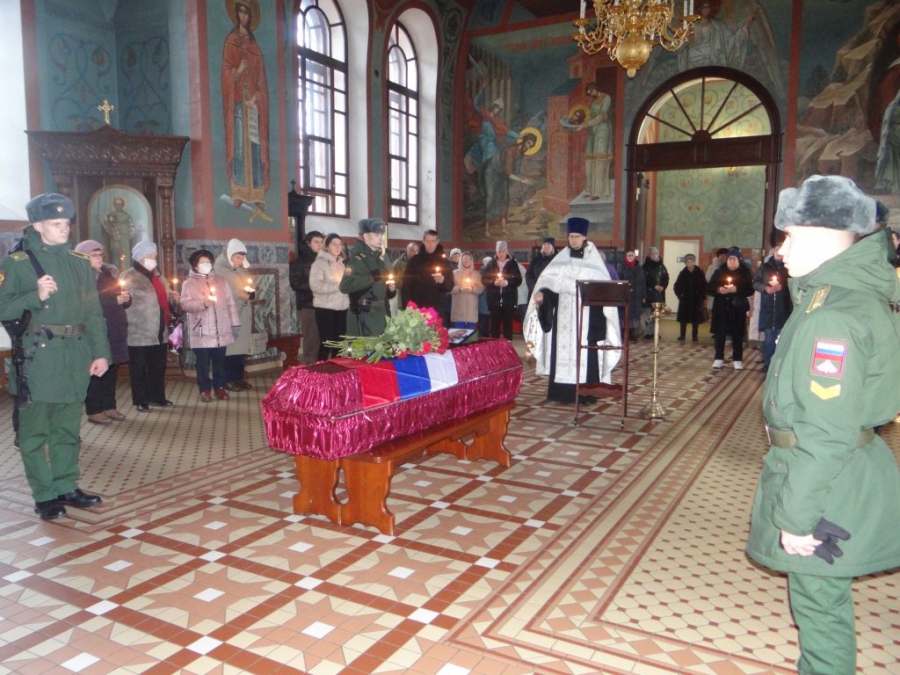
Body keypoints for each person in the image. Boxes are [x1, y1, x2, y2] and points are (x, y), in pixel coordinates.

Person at [746, 174, 900, 675]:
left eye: (789, 237)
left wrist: (796, 517)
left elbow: (825, 431)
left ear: (821, 235)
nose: (780, 251)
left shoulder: (833, 315)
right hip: (843, 467)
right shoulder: (842, 298)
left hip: (826, 482)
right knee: (822, 602)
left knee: (819, 608)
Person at [0, 193, 111, 520]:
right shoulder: (18, 263)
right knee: (35, 432)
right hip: (39, 357)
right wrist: (35, 295)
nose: (64, 229)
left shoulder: (78, 262)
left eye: (66, 224)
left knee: (67, 428)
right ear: (37, 225)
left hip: (74, 354)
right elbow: (3, 306)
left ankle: (66, 485)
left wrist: (101, 352)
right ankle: (45, 494)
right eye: (55, 224)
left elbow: (93, 313)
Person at [525, 217, 621, 404]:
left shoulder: (594, 262)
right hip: (563, 317)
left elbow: (602, 292)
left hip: (586, 319)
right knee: (561, 352)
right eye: (570, 237)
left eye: (577, 237)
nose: (573, 240)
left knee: (585, 353)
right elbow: (550, 287)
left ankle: (586, 394)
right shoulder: (560, 259)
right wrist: (543, 295)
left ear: (584, 237)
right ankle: (561, 393)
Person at [75, 240, 130, 424]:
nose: (99, 259)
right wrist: (114, 301)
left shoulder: (107, 275)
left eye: (100, 255)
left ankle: (109, 406)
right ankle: (94, 409)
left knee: (110, 370)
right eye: (94, 255)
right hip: (94, 331)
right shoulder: (80, 278)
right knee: (96, 371)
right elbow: (86, 304)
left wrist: (126, 299)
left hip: (113, 328)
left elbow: (117, 295)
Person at [221, 0, 269, 208]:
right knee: (240, 146)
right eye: (240, 11)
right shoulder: (231, 41)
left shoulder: (255, 47)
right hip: (239, 104)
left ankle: (257, 192)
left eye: (246, 12)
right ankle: (239, 190)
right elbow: (225, 73)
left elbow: (262, 81)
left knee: (256, 147)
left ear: (250, 16)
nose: (243, 16)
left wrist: (256, 98)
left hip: (253, 106)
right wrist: (238, 71)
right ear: (236, 14)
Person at [121, 241, 178, 412]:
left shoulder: (158, 276)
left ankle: (157, 396)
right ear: (140, 258)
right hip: (138, 330)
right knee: (139, 367)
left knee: (158, 365)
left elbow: (165, 298)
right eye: (149, 257)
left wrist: (173, 297)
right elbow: (122, 301)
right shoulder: (128, 276)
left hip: (159, 329)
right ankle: (140, 399)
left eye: (154, 256)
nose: (153, 260)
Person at [179, 249, 241, 402]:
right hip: (202, 330)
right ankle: (204, 389)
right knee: (203, 364)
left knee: (220, 362)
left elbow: (230, 303)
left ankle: (219, 387)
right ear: (195, 265)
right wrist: (202, 304)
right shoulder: (189, 283)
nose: (206, 264)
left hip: (221, 329)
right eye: (202, 262)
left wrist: (234, 323)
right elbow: (184, 304)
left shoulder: (220, 281)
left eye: (208, 262)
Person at [340, 218, 396, 336]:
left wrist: (390, 290)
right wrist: (371, 277)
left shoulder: (377, 258)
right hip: (364, 316)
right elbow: (345, 286)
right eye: (376, 234)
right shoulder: (357, 260)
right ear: (365, 236)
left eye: (381, 234)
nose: (380, 238)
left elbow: (379, 285)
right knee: (365, 353)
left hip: (380, 314)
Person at [214, 238, 255, 390]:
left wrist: (249, 293)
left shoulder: (241, 269)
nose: (240, 260)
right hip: (228, 315)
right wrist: (237, 294)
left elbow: (249, 286)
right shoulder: (220, 270)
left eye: (242, 257)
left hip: (242, 311)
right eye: (238, 257)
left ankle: (238, 377)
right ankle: (227, 379)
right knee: (230, 349)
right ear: (230, 255)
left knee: (240, 348)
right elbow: (218, 291)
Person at [707, 247, 753, 369]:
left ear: (739, 260)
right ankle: (718, 358)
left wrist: (736, 289)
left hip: (737, 307)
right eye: (730, 259)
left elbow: (750, 289)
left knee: (737, 334)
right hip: (721, 307)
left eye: (734, 259)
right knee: (720, 335)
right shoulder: (719, 271)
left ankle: (737, 359)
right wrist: (719, 290)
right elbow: (710, 288)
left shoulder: (745, 272)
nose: (732, 261)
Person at [484, 132, 537, 237]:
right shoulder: (511, 151)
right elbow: (509, 173)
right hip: (493, 171)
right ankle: (487, 229)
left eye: (531, 146)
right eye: (528, 144)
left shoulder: (521, 153)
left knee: (505, 198)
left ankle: (504, 228)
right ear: (524, 141)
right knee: (492, 196)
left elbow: (515, 170)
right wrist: (523, 180)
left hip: (502, 174)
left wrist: (523, 179)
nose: (528, 147)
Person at [752, 246, 792, 372]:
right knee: (769, 338)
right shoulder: (765, 267)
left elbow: (795, 284)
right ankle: (768, 364)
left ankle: (780, 365)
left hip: (784, 308)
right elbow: (755, 282)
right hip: (768, 308)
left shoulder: (788, 267)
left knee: (782, 339)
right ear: (773, 252)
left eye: (781, 251)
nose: (779, 254)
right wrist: (765, 288)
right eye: (776, 251)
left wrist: (783, 288)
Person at [309, 233, 348, 360]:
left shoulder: (342, 264)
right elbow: (315, 285)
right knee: (326, 343)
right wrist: (337, 286)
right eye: (334, 244)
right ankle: (321, 375)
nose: (337, 247)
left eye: (339, 244)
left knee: (340, 344)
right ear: (327, 246)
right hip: (325, 308)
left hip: (342, 308)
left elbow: (346, 284)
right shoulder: (319, 263)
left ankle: (337, 374)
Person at [289, 230, 324, 364]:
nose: (319, 245)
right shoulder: (301, 262)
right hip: (309, 305)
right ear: (308, 243)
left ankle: (324, 366)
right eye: (316, 242)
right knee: (311, 338)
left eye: (321, 242)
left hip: (326, 304)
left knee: (325, 338)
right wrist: (315, 286)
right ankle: (310, 367)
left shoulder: (326, 259)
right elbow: (295, 283)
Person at [401, 229, 453, 317]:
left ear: (437, 242)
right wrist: (408, 308)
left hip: (437, 308)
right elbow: (406, 286)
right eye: (428, 241)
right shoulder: (414, 261)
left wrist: (443, 281)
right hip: (418, 308)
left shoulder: (444, 262)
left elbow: (450, 286)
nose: (430, 244)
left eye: (433, 241)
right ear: (423, 241)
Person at [481, 241, 522, 340]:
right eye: (499, 252)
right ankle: (495, 347)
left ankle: (508, 346)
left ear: (506, 251)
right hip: (494, 300)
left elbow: (518, 280)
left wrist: (507, 282)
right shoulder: (491, 263)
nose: (501, 254)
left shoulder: (513, 263)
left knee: (508, 325)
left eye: (503, 251)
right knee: (494, 325)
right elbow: (484, 279)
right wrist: (494, 282)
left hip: (508, 300)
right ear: (496, 252)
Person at [581, 83, 613, 200]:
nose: (590, 96)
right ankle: (589, 190)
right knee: (589, 161)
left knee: (600, 161)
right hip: (592, 132)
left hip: (602, 131)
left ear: (595, 89)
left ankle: (599, 192)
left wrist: (587, 124)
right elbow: (589, 116)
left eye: (591, 92)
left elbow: (600, 117)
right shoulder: (592, 103)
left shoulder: (606, 98)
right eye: (589, 94)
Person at [672, 253, 706, 341]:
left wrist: (702, 297)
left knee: (696, 319)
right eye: (688, 262)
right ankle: (682, 335)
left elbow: (704, 285)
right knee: (683, 319)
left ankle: (695, 335)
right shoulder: (682, 273)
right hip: (685, 299)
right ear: (685, 263)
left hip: (696, 299)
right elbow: (676, 285)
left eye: (691, 262)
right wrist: (680, 295)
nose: (690, 263)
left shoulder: (699, 272)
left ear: (694, 262)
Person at [616, 249, 646, 342]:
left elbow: (643, 282)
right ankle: (623, 335)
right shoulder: (621, 267)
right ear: (626, 257)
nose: (630, 257)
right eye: (628, 255)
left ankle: (633, 335)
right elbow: (618, 281)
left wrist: (644, 296)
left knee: (634, 316)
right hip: (624, 295)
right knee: (624, 315)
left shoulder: (639, 268)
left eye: (632, 255)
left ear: (634, 257)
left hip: (636, 296)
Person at [98, 197, 135, 272]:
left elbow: (132, 227)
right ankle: (116, 275)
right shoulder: (111, 215)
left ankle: (126, 276)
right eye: (117, 204)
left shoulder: (127, 216)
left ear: (122, 205)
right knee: (115, 259)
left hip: (125, 240)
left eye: (120, 204)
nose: (119, 206)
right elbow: (108, 227)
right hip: (114, 241)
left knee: (126, 260)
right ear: (115, 205)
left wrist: (129, 235)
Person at [450, 252, 484, 329]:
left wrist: (472, 289)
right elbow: (449, 288)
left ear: (471, 261)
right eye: (464, 258)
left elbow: (481, 288)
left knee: (470, 336)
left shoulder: (476, 274)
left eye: (469, 259)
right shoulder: (454, 273)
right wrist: (459, 289)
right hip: (458, 309)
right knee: (458, 336)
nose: (466, 260)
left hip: (471, 310)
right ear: (461, 260)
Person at [642, 246, 669, 339]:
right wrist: (654, 286)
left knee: (657, 314)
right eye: (652, 254)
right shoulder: (645, 266)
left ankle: (655, 332)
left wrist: (663, 286)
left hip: (659, 294)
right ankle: (648, 333)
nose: (654, 255)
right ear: (649, 255)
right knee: (649, 315)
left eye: (656, 253)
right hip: (649, 294)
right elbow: (645, 279)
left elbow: (666, 278)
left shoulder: (662, 266)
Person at [526, 237, 556, 302]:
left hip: (551, 295)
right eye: (545, 244)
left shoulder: (556, 260)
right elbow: (529, 276)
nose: (546, 246)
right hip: (536, 293)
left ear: (552, 247)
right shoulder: (535, 260)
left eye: (548, 245)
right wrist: (535, 288)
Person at [392, 241, 420, 309]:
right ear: (408, 251)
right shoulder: (398, 263)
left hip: (417, 295)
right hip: (403, 294)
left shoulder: (420, 263)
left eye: (417, 251)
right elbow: (393, 279)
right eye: (412, 250)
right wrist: (405, 284)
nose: (415, 253)